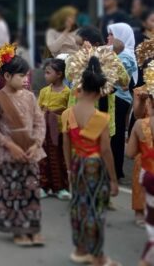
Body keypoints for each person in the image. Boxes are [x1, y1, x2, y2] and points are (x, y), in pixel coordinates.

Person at [62, 48, 120, 266]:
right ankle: (98, 256)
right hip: (95, 165)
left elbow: (65, 144)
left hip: (76, 163)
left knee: (79, 206)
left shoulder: (69, 113)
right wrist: (113, 179)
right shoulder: (101, 118)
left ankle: (79, 248)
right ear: (99, 91)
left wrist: (68, 169)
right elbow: (106, 150)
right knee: (96, 210)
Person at [0, 45, 46, 247]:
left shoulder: (29, 96)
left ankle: (32, 228)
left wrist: (37, 143)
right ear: (8, 76)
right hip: (7, 155)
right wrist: (10, 145)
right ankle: (18, 230)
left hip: (30, 151)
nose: (26, 80)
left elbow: (39, 122)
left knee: (31, 191)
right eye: (22, 76)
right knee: (12, 192)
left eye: (27, 75)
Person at [126, 65, 154, 265]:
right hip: (144, 137)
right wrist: (141, 100)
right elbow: (137, 115)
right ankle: (139, 211)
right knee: (138, 174)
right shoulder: (141, 90)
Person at [37, 58, 71, 200]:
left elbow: (69, 111)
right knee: (43, 160)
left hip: (60, 131)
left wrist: (54, 111)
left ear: (59, 74)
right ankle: (43, 187)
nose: (45, 75)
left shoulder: (68, 92)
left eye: (48, 73)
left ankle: (61, 188)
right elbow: (38, 110)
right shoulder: (44, 91)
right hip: (45, 131)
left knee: (60, 159)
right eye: (45, 72)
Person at [107, 23, 137, 180]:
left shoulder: (125, 56)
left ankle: (116, 170)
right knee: (113, 134)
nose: (108, 37)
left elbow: (118, 79)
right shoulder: (119, 54)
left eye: (111, 34)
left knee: (116, 135)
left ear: (120, 37)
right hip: (115, 97)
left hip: (119, 98)